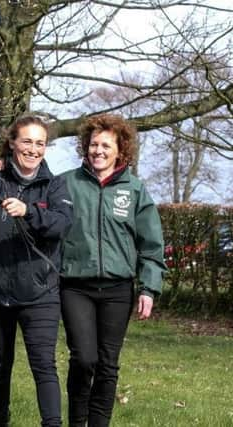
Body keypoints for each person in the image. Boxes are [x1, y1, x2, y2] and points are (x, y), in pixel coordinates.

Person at [0, 115, 73, 427]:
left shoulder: (55, 184)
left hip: (40, 294)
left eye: (40, 143)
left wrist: (29, 211)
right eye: (27, 142)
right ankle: (0, 422)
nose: (33, 149)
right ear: (12, 143)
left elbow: (62, 224)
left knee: (44, 365)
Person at [60, 113, 166, 427]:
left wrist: (148, 287)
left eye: (106, 145)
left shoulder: (135, 190)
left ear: (120, 150)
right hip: (75, 286)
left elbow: (152, 245)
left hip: (118, 290)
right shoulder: (66, 183)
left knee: (107, 364)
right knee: (84, 358)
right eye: (93, 144)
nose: (99, 151)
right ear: (85, 147)